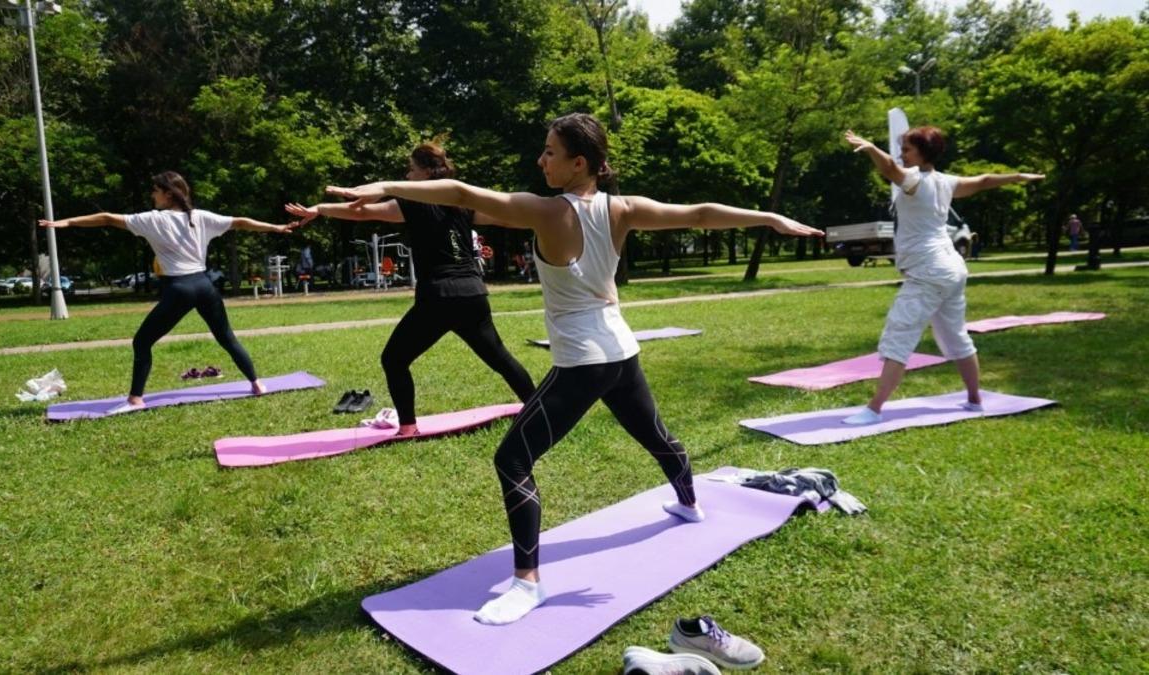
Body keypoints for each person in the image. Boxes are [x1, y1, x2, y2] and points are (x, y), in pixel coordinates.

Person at [328, 113, 823, 625]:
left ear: (579, 163)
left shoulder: (546, 211)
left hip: (583, 362)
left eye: (550, 152)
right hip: (620, 350)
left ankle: (528, 584)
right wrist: (768, 217)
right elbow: (698, 214)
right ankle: (689, 503)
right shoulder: (622, 208)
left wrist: (387, 185)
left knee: (512, 460)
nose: (541, 160)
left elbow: (459, 194)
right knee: (654, 433)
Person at [287, 143, 536, 435]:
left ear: (427, 172)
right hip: (473, 294)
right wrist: (543, 219)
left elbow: (364, 213)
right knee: (501, 359)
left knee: (394, 359)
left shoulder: (412, 204)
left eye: (412, 169)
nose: (407, 175)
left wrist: (320, 209)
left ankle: (408, 429)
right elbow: (505, 217)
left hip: (439, 298)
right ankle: (540, 412)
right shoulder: (463, 205)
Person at [38, 171, 300, 414]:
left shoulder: (153, 219)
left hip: (180, 288)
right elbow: (240, 222)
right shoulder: (200, 217)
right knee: (226, 337)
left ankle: (135, 400)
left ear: (168, 194)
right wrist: (276, 228)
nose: (153, 195)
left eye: (155, 191)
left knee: (142, 342)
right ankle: (257, 384)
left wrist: (66, 222)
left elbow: (106, 217)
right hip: (205, 286)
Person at [841, 127, 1044, 425]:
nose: (902, 154)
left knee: (899, 335)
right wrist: (1016, 177)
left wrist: (871, 148)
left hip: (929, 272)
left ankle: (874, 409)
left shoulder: (914, 181)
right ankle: (974, 400)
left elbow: (889, 168)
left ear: (923, 153)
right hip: (952, 268)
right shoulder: (945, 182)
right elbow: (983, 181)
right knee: (955, 336)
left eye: (907, 149)